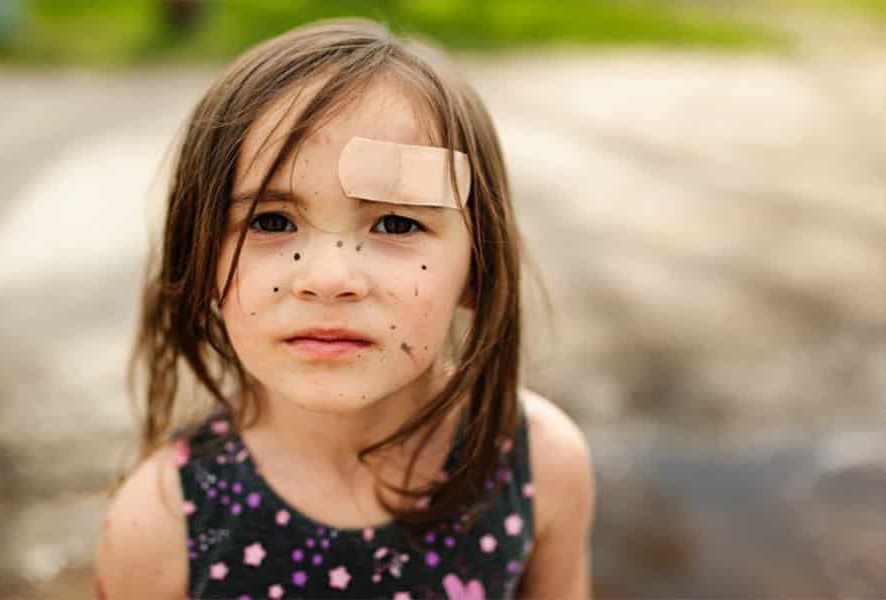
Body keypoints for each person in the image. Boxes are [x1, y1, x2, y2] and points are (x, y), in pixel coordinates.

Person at [95, 17, 595, 600]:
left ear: (476, 267)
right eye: (271, 221)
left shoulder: (540, 467)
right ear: (200, 257)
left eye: (395, 222)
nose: (329, 279)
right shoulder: (160, 524)